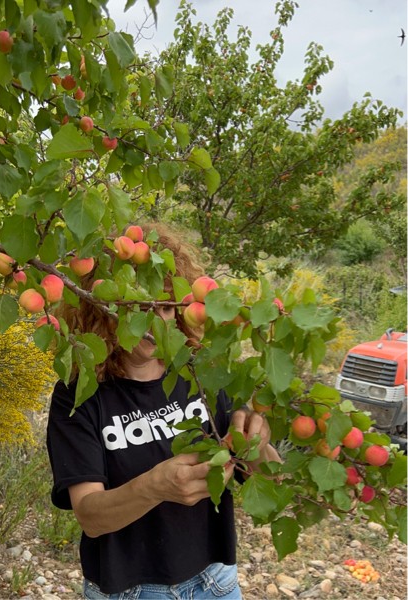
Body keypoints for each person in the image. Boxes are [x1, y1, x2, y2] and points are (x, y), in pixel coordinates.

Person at [46, 222, 281, 600]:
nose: (156, 320)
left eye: (167, 307)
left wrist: (258, 441)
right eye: (139, 308)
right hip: (131, 592)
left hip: (216, 582)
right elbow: (90, 516)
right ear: (104, 312)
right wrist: (153, 487)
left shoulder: (201, 371)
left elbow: (268, 476)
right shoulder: (80, 395)